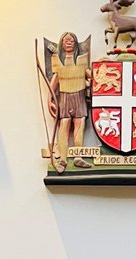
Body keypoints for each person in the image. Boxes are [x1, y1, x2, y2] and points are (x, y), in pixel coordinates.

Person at [48, 31, 90, 172]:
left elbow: (90, 74)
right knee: (64, 126)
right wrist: (49, 98)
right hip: (65, 96)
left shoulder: (82, 59)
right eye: (66, 40)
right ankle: (62, 159)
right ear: (61, 43)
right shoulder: (57, 59)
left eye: (71, 41)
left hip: (79, 95)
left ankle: (78, 157)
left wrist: (102, 69)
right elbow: (55, 79)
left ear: (76, 43)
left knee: (79, 126)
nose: (69, 43)